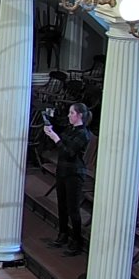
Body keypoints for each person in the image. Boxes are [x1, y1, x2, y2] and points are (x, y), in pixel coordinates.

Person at [42, 101, 91, 255]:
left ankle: (77, 241)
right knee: (62, 206)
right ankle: (63, 234)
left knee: (73, 209)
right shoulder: (70, 129)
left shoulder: (83, 134)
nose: (69, 116)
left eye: (71, 113)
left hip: (74, 174)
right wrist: (51, 132)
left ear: (79, 115)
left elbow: (69, 152)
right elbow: (60, 143)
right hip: (62, 171)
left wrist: (55, 138)